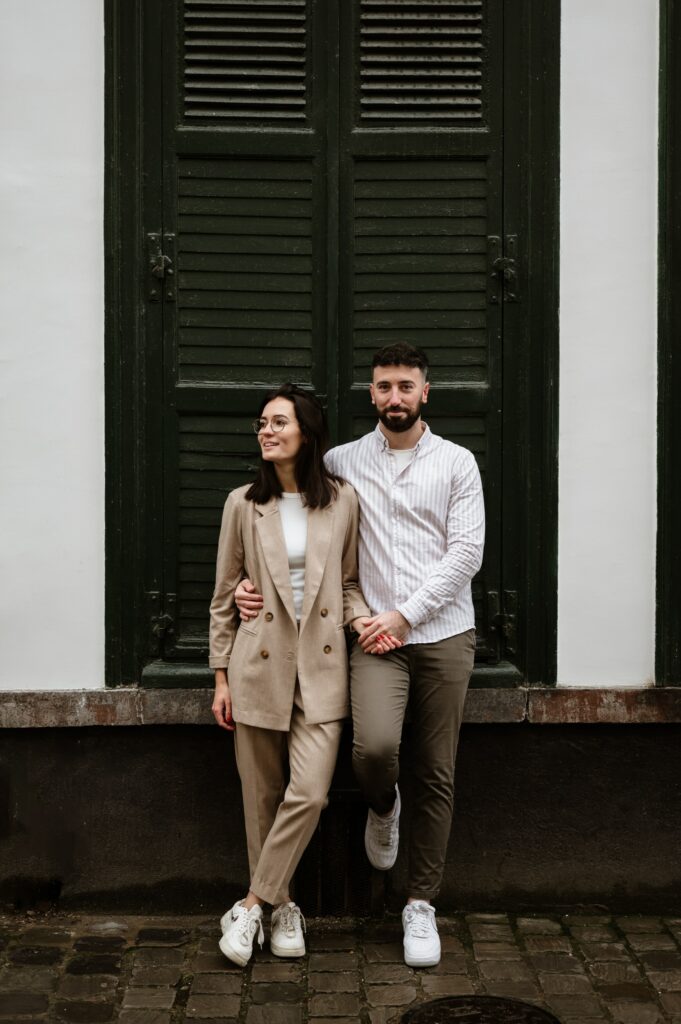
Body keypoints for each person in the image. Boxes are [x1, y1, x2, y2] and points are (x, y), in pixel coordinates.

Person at [235, 344, 485, 968]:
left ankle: (419, 903)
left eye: (405, 386)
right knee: (373, 752)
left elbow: (466, 555)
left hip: (443, 634)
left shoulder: (458, 463)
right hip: (371, 639)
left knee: (437, 771)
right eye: (383, 387)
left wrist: (406, 615)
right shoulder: (342, 466)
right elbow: (300, 530)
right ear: (370, 394)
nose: (394, 397)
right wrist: (252, 587)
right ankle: (381, 804)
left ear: (426, 391)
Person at [209, 383, 399, 967]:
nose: (265, 431)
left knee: (310, 794)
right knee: (260, 798)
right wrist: (219, 678)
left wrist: (366, 620)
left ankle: (249, 903)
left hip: (320, 670)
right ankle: (285, 906)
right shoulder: (242, 503)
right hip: (257, 667)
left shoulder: (341, 500)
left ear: (306, 434)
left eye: (277, 422)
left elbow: (344, 585)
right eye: (261, 423)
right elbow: (223, 596)